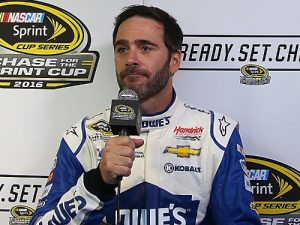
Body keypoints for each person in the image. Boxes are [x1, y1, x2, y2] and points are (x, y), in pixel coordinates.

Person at [29, 5, 262, 225]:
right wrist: (96, 183)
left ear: (174, 61)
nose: (131, 59)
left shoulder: (216, 135)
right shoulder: (82, 137)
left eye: (145, 48)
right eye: (122, 49)